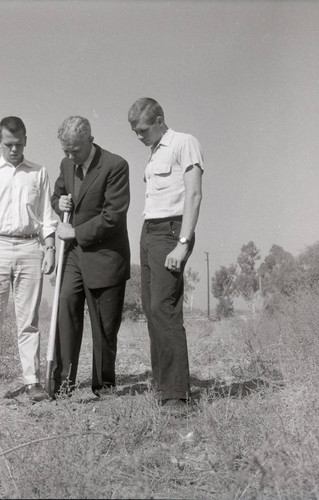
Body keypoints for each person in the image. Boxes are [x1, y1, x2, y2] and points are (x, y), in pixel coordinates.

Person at [0, 116, 57, 403]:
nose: (14, 150)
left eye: (18, 144)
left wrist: (50, 248)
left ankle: (32, 382)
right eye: (8, 144)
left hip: (31, 248)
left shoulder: (39, 173)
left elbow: (46, 218)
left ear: (26, 141)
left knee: (28, 321)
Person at [127, 98, 204, 408]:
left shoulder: (184, 143)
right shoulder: (154, 152)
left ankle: (176, 395)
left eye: (142, 129)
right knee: (151, 308)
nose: (139, 135)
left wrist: (183, 242)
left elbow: (194, 194)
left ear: (159, 120)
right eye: (134, 131)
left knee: (164, 308)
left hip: (171, 232)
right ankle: (163, 386)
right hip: (149, 232)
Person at [51, 115, 130, 397]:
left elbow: (113, 216)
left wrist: (76, 232)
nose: (71, 156)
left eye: (75, 150)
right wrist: (57, 201)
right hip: (74, 257)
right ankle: (62, 385)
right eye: (66, 150)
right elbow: (57, 196)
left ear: (90, 141)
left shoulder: (115, 165)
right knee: (65, 309)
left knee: (104, 328)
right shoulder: (66, 164)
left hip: (106, 257)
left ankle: (104, 387)